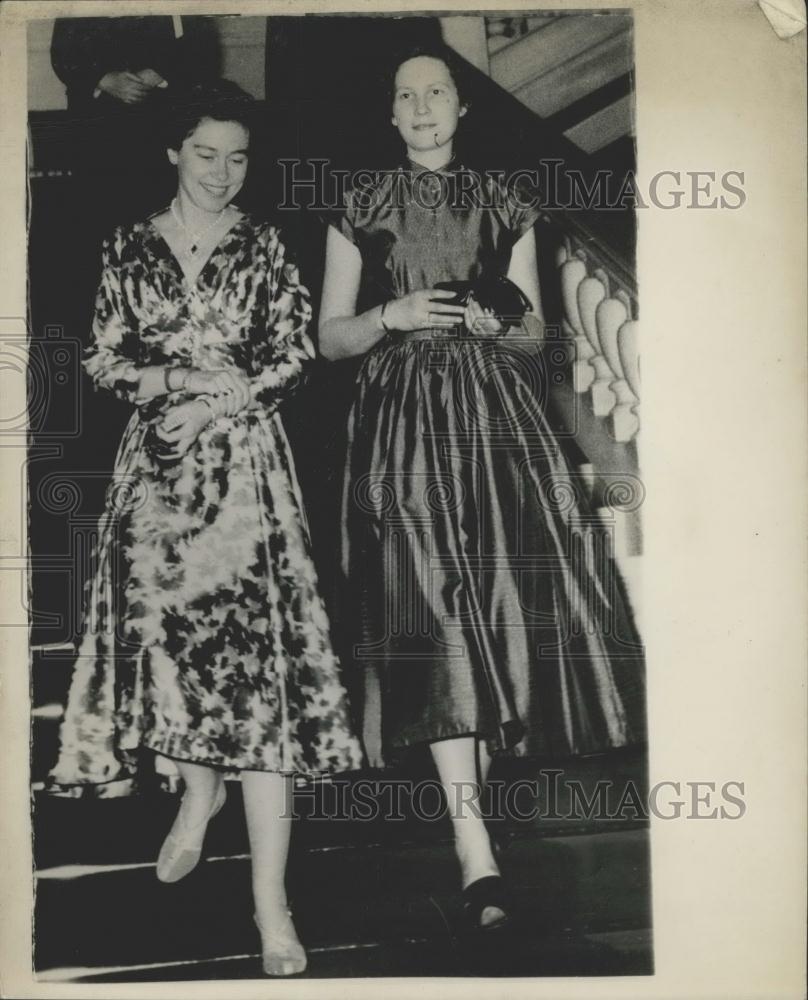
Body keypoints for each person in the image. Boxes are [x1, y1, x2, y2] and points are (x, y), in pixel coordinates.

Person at [318, 45, 646, 932]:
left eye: (436, 94)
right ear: (390, 116)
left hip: (498, 423)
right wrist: (391, 316)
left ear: (461, 109)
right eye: (406, 97)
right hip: (402, 425)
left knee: (498, 609)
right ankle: (476, 851)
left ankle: (474, 822)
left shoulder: (508, 199)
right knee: (432, 609)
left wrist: (503, 326)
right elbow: (330, 337)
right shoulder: (359, 202)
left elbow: (540, 337)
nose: (422, 108)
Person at [48, 80, 363, 977]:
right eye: (204, 154)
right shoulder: (126, 245)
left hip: (246, 487)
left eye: (238, 157)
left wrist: (221, 398)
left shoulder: (265, 246)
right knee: (170, 665)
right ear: (171, 153)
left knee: (257, 682)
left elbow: (296, 353)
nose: (223, 173)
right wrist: (174, 392)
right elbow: (105, 356)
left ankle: (272, 904)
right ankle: (198, 791)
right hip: (153, 486)